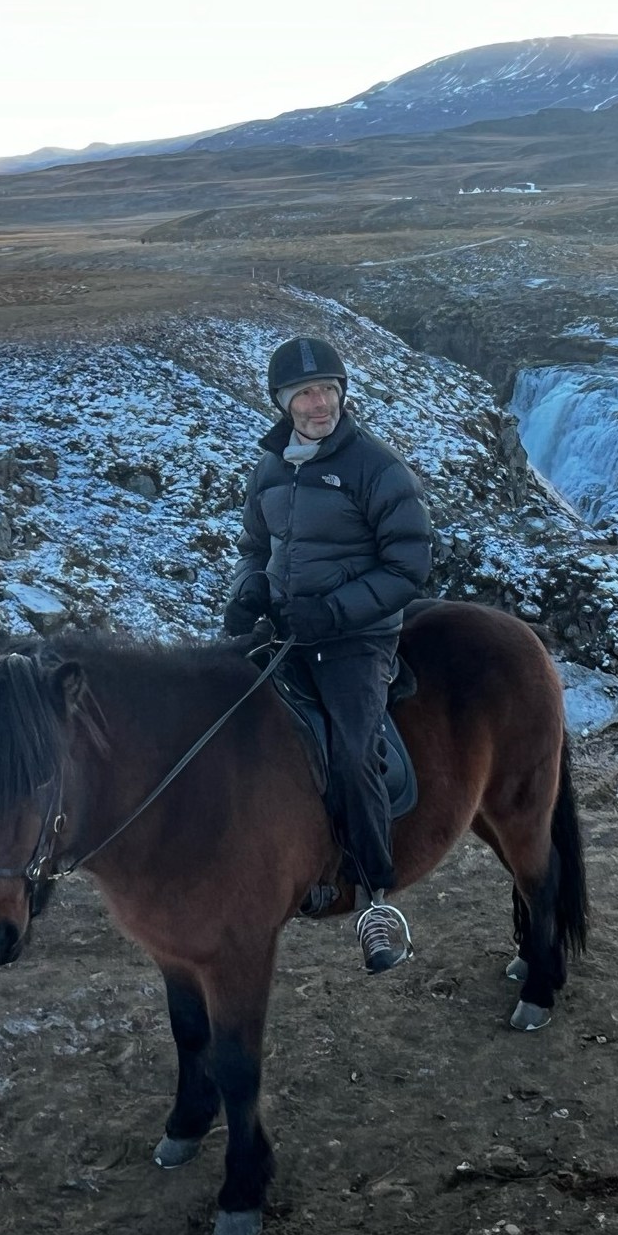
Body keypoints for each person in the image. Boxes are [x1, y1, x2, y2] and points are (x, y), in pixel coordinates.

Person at [222, 336, 433, 973]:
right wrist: (249, 588)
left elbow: (410, 564)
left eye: (328, 391)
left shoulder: (375, 466)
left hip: (356, 639)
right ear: (283, 403)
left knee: (348, 750)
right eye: (305, 394)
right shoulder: (269, 467)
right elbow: (255, 547)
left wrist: (336, 611)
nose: (319, 404)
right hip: (287, 628)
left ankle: (375, 896)